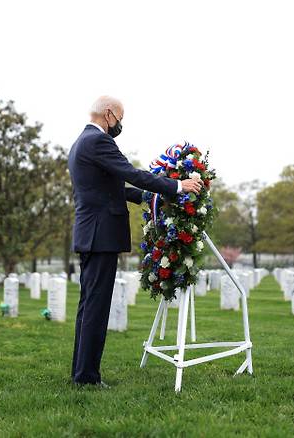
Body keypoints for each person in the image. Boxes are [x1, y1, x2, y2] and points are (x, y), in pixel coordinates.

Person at [68, 96, 202, 387]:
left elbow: (107, 188)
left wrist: (147, 196)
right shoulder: (99, 142)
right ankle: (87, 378)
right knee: (96, 307)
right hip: (101, 235)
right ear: (109, 114)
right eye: (120, 118)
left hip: (89, 233)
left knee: (88, 306)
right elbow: (131, 173)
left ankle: (81, 373)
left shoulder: (80, 142)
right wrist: (177, 185)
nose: (120, 124)